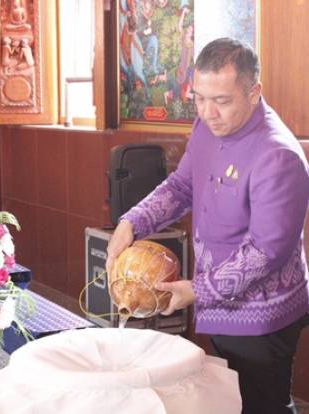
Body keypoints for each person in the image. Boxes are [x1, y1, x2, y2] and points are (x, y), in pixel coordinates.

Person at [106, 38, 309, 414]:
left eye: (221, 101)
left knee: (264, 405)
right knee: (230, 400)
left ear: (254, 92)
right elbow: (181, 186)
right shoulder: (206, 127)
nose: (208, 112)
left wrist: (197, 289)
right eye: (199, 98)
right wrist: (132, 222)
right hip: (218, 303)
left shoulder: (277, 155)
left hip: (262, 316)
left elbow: (266, 251)